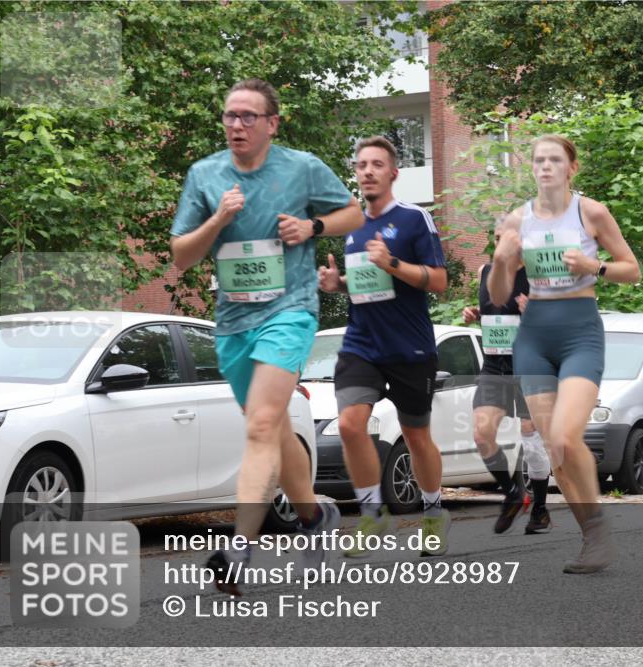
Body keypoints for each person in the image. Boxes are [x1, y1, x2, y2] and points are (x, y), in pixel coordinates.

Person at [171, 78, 365, 594]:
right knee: (275, 430)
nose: (236, 124)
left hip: (290, 311)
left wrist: (312, 229)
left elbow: (353, 213)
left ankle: (238, 550)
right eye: (230, 116)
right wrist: (218, 218)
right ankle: (314, 520)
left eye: (248, 117)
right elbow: (182, 255)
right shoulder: (205, 174)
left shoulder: (300, 167)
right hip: (234, 324)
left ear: (272, 123)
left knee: (259, 426)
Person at [488, 134, 641, 573]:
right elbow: (499, 296)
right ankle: (592, 534)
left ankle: (598, 531)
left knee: (562, 437)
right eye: (539, 160)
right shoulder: (518, 219)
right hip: (534, 337)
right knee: (554, 452)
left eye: (555, 159)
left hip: (580, 333)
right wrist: (502, 261)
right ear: (532, 168)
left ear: (572, 167)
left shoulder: (590, 212)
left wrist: (595, 267)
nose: (546, 166)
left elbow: (632, 269)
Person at [318, 136, 450, 557]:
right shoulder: (353, 226)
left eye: (377, 164)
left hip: (409, 346)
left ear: (393, 173)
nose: (368, 171)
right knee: (350, 425)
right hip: (361, 344)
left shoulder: (415, 220)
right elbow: (364, 286)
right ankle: (373, 513)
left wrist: (392, 263)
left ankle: (433, 512)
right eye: (361, 165)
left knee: (415, 436)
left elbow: (441, 282)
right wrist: (337, 285)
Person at [462, 229, 553, 535]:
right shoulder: (485, 272)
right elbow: (492, 312)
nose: (502, 242)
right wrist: (475, 314)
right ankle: (513, 493)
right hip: (494, 367)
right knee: (481, 433)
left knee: (531, 437)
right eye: (498, 236)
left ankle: (540, 510)